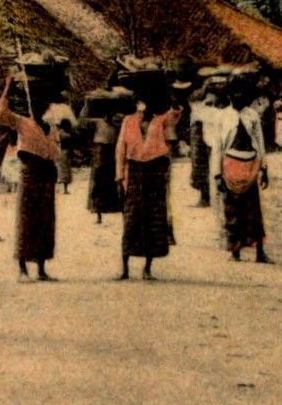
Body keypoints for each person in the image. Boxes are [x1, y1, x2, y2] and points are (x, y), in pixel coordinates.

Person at [0, 75, 60, 281]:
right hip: (29, 172)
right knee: (26, 219)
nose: (42, 106)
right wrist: (8, 87)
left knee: (45, 220)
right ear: (32, 104)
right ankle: (23, 269)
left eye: (45, 103)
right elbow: (1, 114)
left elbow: (55, 151)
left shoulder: (51, 127)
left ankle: (41, 268)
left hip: (46, 174)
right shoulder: (23, 122)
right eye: (39, 102)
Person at [115, 96, 183, 280]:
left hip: (155, 172)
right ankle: (125, 269)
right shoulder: (128, 121)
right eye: (140, 102)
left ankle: (147, 268)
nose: (143, 106)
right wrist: (120, 175)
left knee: (153, 219)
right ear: (136, 104)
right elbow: (121, 147)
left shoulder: (160, 119)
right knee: (131, 218)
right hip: (134, 172)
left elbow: (174, 116)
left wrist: (173, 99)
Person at [212, 75, 272, 263]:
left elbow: (260, 143)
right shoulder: (222, 117)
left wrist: (264, 168)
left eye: (241, 92)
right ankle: (235, 251)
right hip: (230, 166)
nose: (238, 96)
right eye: (234, 92)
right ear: (229, 95)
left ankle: (259, 252)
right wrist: (217, 175)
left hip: (250, 166)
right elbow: (217, 147)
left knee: (253, 210)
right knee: (232, 210)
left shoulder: (252, 116)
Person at [86, 99, 125, 223]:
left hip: (111, 152)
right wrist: (86, 105)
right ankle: (98, 214)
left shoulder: (118, 122)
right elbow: (81, 123)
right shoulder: (98, 122)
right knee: (98, 182)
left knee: (114, 181)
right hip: (100, 151)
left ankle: (114, 209)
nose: (111, 117)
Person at [189, 78, 226, 207]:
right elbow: (194, 104)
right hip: (200, 131)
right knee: (200, 166)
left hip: (214, 131)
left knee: (219, 165)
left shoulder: (220, 97)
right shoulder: (197, 95)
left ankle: (219, 197)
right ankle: (204, 197)